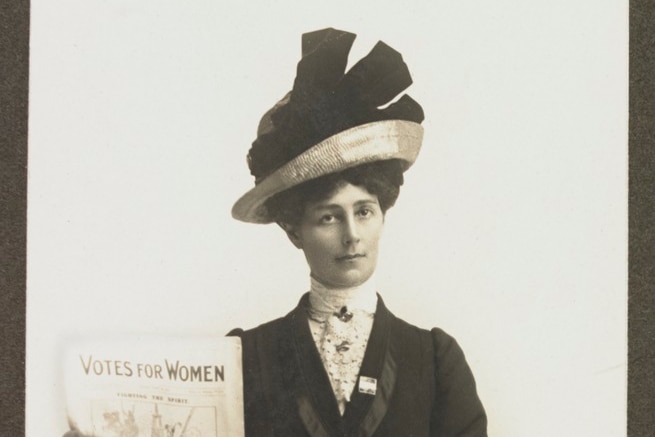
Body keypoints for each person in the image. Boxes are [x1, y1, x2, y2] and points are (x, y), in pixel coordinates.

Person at [228, 28, 487, 437]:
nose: (352, 235)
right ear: (293, 230)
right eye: (328, 218)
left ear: (383, 214)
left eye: (364, 212)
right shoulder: (246, 358)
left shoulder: (435, 360)